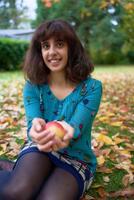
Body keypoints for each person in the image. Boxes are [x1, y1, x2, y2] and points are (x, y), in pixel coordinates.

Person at [0, 19, 102, 200]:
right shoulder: (33, 86)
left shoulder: (92, 87)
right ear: (40, 51)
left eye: (60, 44)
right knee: (15, 193)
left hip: (76, 159)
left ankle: (12, 168)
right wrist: (36, 130)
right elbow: (33, 124)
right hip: (41, 147)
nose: (52, 52)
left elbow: (75, 127)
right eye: (46, 46)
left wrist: (66, 133)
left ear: (72, 48)